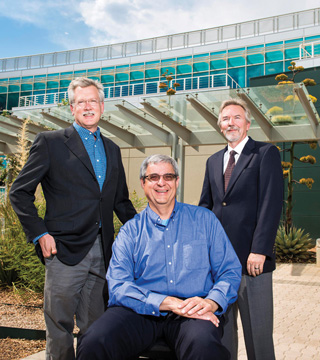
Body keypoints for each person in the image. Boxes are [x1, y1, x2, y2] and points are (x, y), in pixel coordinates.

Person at [9, 77, 137, 360]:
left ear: (102, 106)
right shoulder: (50, 142)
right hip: (63, 250)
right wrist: (40, 234)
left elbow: (121, 203)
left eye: (93, 101)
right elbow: (19, 193)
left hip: (104, 252)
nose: (88, 106)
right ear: (72, 107)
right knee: (60, 326)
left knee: (97, 328)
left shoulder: (113, 150)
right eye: (81, 102)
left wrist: (148, 234)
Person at [76, 154, 242, 360]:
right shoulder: (130, 231)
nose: (161, 183)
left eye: (168, 177)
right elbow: (118, 285)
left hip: (192, 311)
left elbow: (230, 270)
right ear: (143, 183)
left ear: (177, 182)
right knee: (94, 341)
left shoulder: (205, 220)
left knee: (205, 347)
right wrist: (166, 302)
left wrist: (212, 302)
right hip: (140, 310)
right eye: (153, 177)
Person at [199, 98, 283, 360]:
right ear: (219, 125)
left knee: (258, 337)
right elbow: (206, 208)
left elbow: (271, 204)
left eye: (236, 117)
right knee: (222, 336)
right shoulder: (213, 161)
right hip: (219, 265)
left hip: (252, 264)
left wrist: (260, 249)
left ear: (247, 123)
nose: (230, 122)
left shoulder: (265, 153)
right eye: (225, 118)